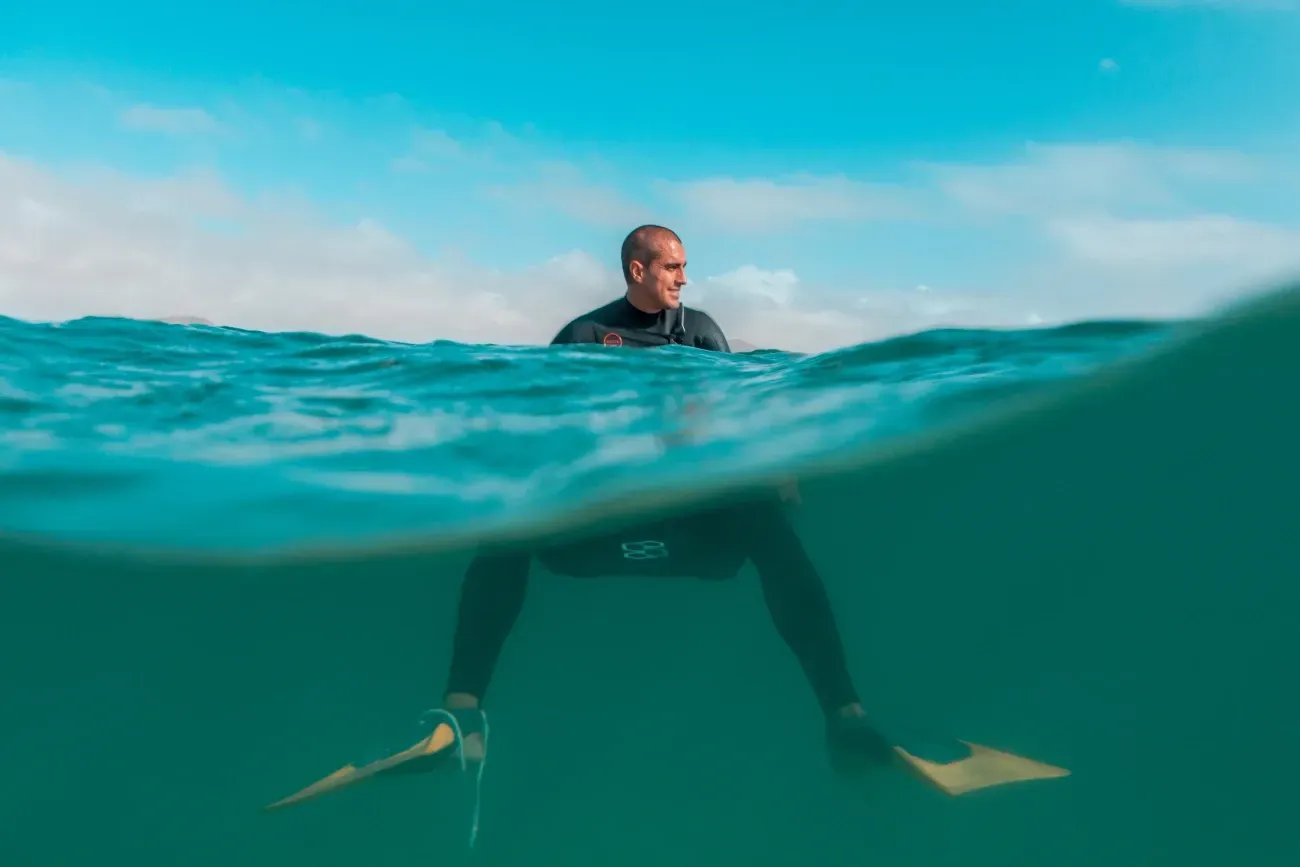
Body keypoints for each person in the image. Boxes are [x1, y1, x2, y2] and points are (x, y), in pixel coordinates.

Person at [436, 225, 890, 776]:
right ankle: (459, 719)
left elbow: (736, 409)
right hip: (597, 534)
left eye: (683, 267)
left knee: (766, 521)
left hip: (694, 536)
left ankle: (847, 716)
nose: (684, 277)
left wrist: (778, 462)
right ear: (638, 271)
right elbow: (540, 424)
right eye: (673, 267)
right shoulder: (584, 335)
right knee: (508, 526)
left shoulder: (699, 331)